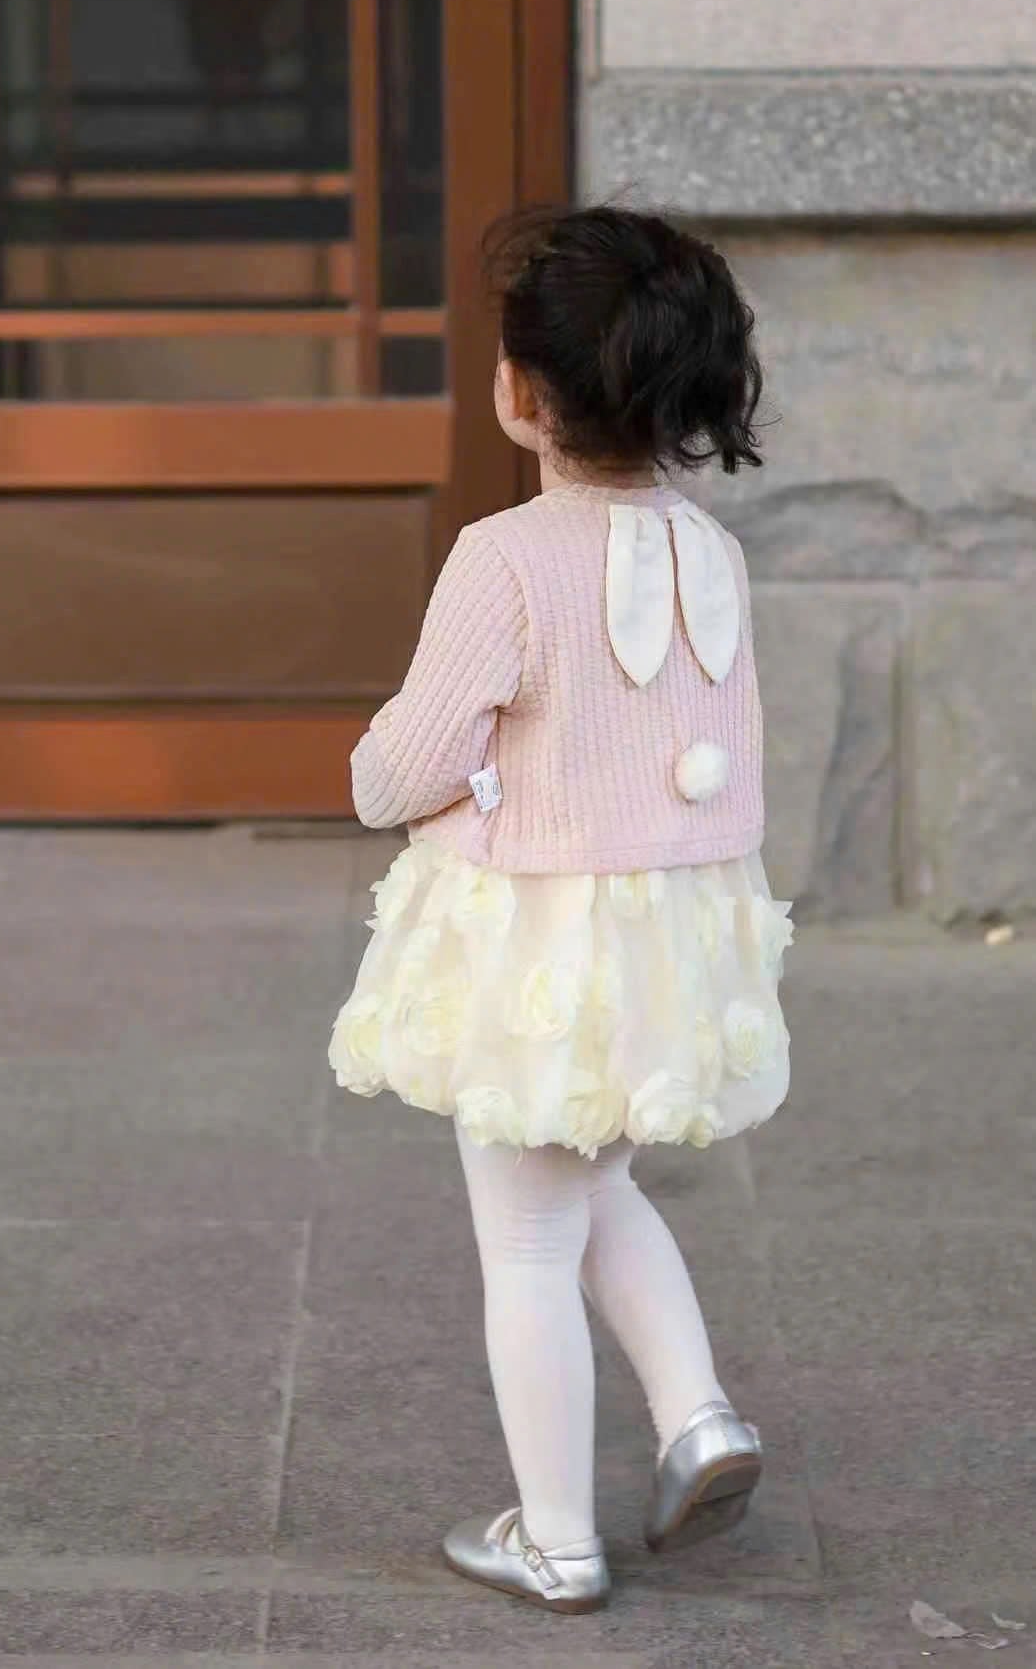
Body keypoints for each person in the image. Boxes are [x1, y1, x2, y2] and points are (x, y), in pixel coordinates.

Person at [328, 203, 795, 1616]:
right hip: (669, 931)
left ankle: (556, 1536)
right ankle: (699, 1415)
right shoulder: (713, 553)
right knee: (598, 1184)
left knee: (526, 1235)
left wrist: (412, 785)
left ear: (522, 395)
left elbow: (400, 764)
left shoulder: (506, 559)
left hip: (539, 938)